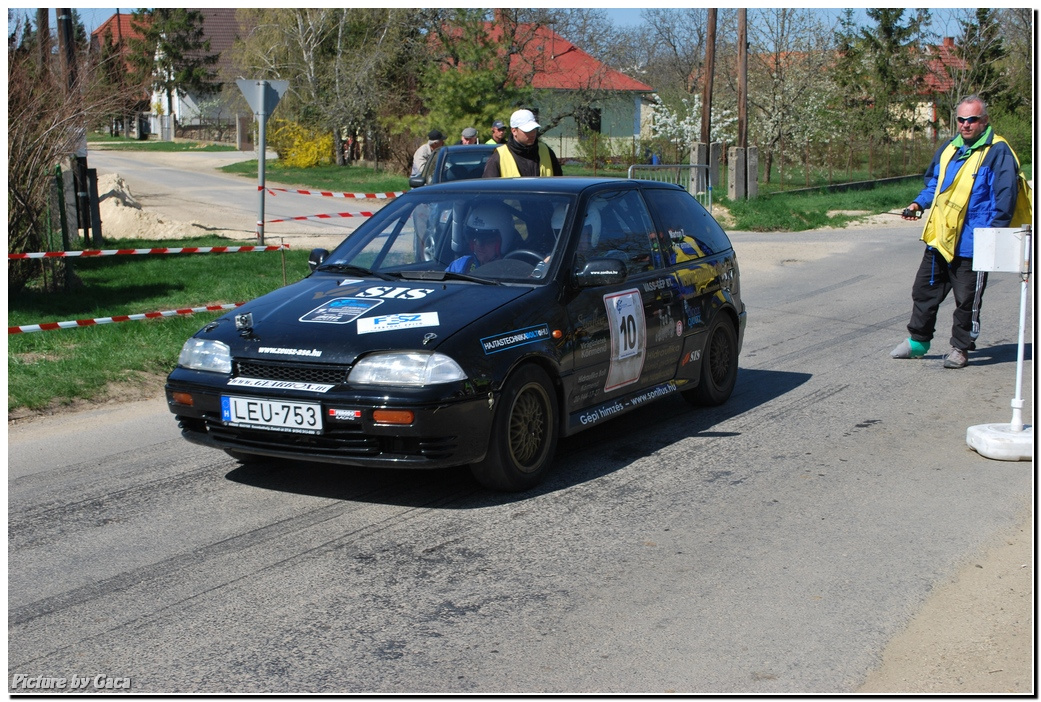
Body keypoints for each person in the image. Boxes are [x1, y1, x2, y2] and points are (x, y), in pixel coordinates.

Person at [890, 95, 1021, 369]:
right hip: (940, 239)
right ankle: (918, 342)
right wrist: (917, 203)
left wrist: (994, 238)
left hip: (974, 243)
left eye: (972, 119)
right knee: (924, 292)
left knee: (967, 301)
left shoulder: (998, 152)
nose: (965, 125)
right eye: (961, 119)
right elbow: (934, 184)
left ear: (984, 121)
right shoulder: (950, 147)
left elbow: (1005, 197)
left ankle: (960, 348)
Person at [482, 109, 563, 178]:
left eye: (534, 129)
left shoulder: (546, 152)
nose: (532, 134)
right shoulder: (499, 157)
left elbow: (560, 185)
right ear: (514, 131)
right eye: (527, 131)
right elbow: (489, 191)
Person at [446, 204, 511, 273]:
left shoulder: (514, 272)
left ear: (502, 242)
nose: (480, 245)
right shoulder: (460, 266)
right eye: (475, 239)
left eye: (488, 241)